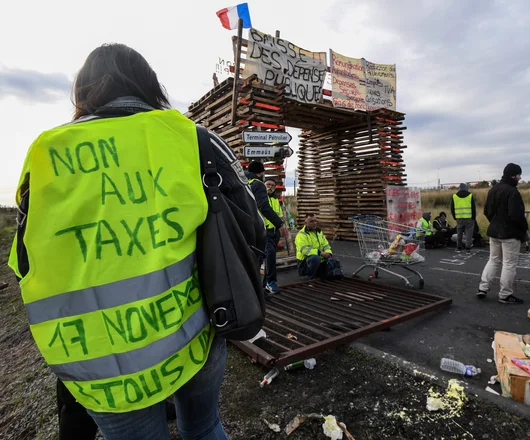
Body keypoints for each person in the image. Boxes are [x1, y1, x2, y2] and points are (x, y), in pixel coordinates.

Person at [7, 43, 243, 440]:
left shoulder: (47, 153)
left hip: (99, 364)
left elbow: (23, 262)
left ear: (83, 93)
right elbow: (248, 222)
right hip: (192, 335)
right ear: (150, 85)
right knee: (204, 428)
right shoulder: (189, 137)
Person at [477, 163, 528, 304]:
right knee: (509, 264)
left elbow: (487, 211)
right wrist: (524, 229)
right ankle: (505, 294)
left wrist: (494, 222)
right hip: (510, 234)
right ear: (513, 176)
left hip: (494, 231)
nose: (519, 178)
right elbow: (516, 215)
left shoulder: (493, 189)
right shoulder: (513, 192)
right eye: (518, 175)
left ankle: (483, 288)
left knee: (493, 260)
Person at [246, 162, 289, 294]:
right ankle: (266, 284)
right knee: (266, 255)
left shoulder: (247, 183)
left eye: (272, 185)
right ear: (261, 173)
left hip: (268, 232)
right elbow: (263, 207)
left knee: (261, 257)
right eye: (268, 184)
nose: (269, 187)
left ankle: (259, 286)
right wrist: (280, 224)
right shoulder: (258, 185)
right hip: (262, 231)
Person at [295, 214, 336, 279]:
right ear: (305, 223)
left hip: (319, 261)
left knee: (333, 261)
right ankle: (309, 276)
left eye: (315, 221)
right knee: (315, 258)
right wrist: (320, 253)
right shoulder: (301, 235)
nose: (314, 223)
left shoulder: (319, 232)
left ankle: (319, 273)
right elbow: (305, 250)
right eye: (311, 221)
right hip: (305, 263)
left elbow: (326, 245)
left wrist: (328, 253)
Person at [451, 183, 477, 253]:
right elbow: (473, 208)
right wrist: (474, 217)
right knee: (469, 233)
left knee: (459, 233)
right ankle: (468, 247)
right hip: (469, 218)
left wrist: (454, 217)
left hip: (459, 218)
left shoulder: (454, 196)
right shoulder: (470, 195)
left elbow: (452, 208)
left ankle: (459, 246)